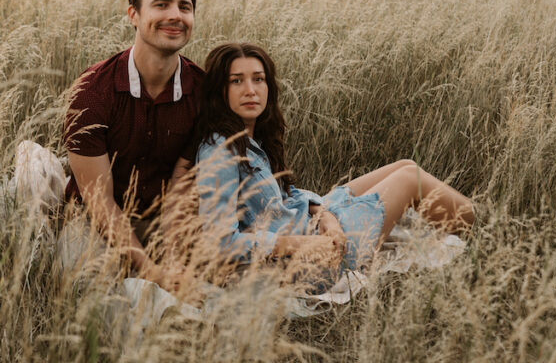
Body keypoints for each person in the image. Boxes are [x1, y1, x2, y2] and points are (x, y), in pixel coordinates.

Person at [191, 43, 474, 279]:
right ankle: (488, 235)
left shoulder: (250, 140)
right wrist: (301, 244)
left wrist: (325, 216)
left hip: (313, 229)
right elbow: (220, 242)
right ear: (219, 91)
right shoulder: (221, 150)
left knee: (405, 165)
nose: (251, 90)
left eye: (258, 79)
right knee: (411, 180)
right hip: (311, 261)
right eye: (236, 81)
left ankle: (480, 232)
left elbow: (281, 200)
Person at [61, 0, 203, 292]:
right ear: (133, 15)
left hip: (165, 218)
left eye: (185, 7)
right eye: (162, 4)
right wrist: (151, 270)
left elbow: (185, 189)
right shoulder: (92, 92)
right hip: (95, 218)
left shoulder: (202, 92)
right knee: (83, 284)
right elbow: (99, 201)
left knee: (214, 282)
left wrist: (175, 259)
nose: (175, 16)